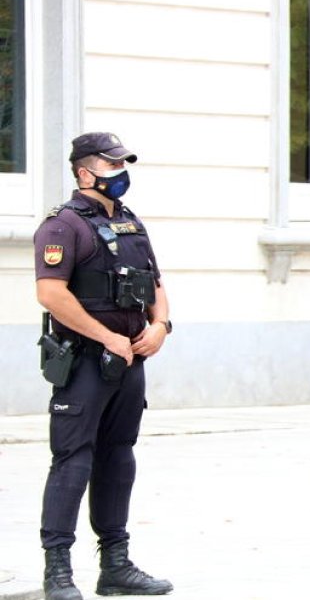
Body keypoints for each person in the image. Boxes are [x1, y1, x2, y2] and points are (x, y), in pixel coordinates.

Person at [33, 132, 174, 599]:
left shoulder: (132, 223)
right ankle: (58, 571)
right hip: (86, 361)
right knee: (73, 462)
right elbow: (51, 294)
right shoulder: (64, 224)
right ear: (83, 172)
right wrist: (107, 336)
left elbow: (155, 284)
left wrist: (161, 326)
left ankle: (115, 565)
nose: (120, 174)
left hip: (131, 360)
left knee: (119, 459)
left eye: (122, 165)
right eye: (110, 166)